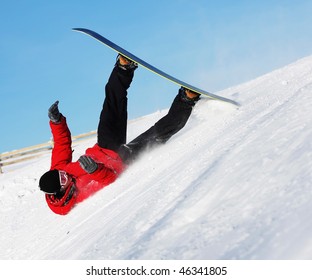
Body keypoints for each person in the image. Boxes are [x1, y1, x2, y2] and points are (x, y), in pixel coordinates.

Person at [39, 55, 200, 215]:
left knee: (113, 104)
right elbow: (109, 180)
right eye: (63, 180)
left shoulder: (59, 170)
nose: (65, 176)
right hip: (123, 160)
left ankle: (123, 68)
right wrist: (95, 170)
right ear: (61, 189)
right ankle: (185, 100)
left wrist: (57, 122)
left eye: (61, 174)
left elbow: (61, 144)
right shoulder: (78, 197)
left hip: (105, 145)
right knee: (159, 133)